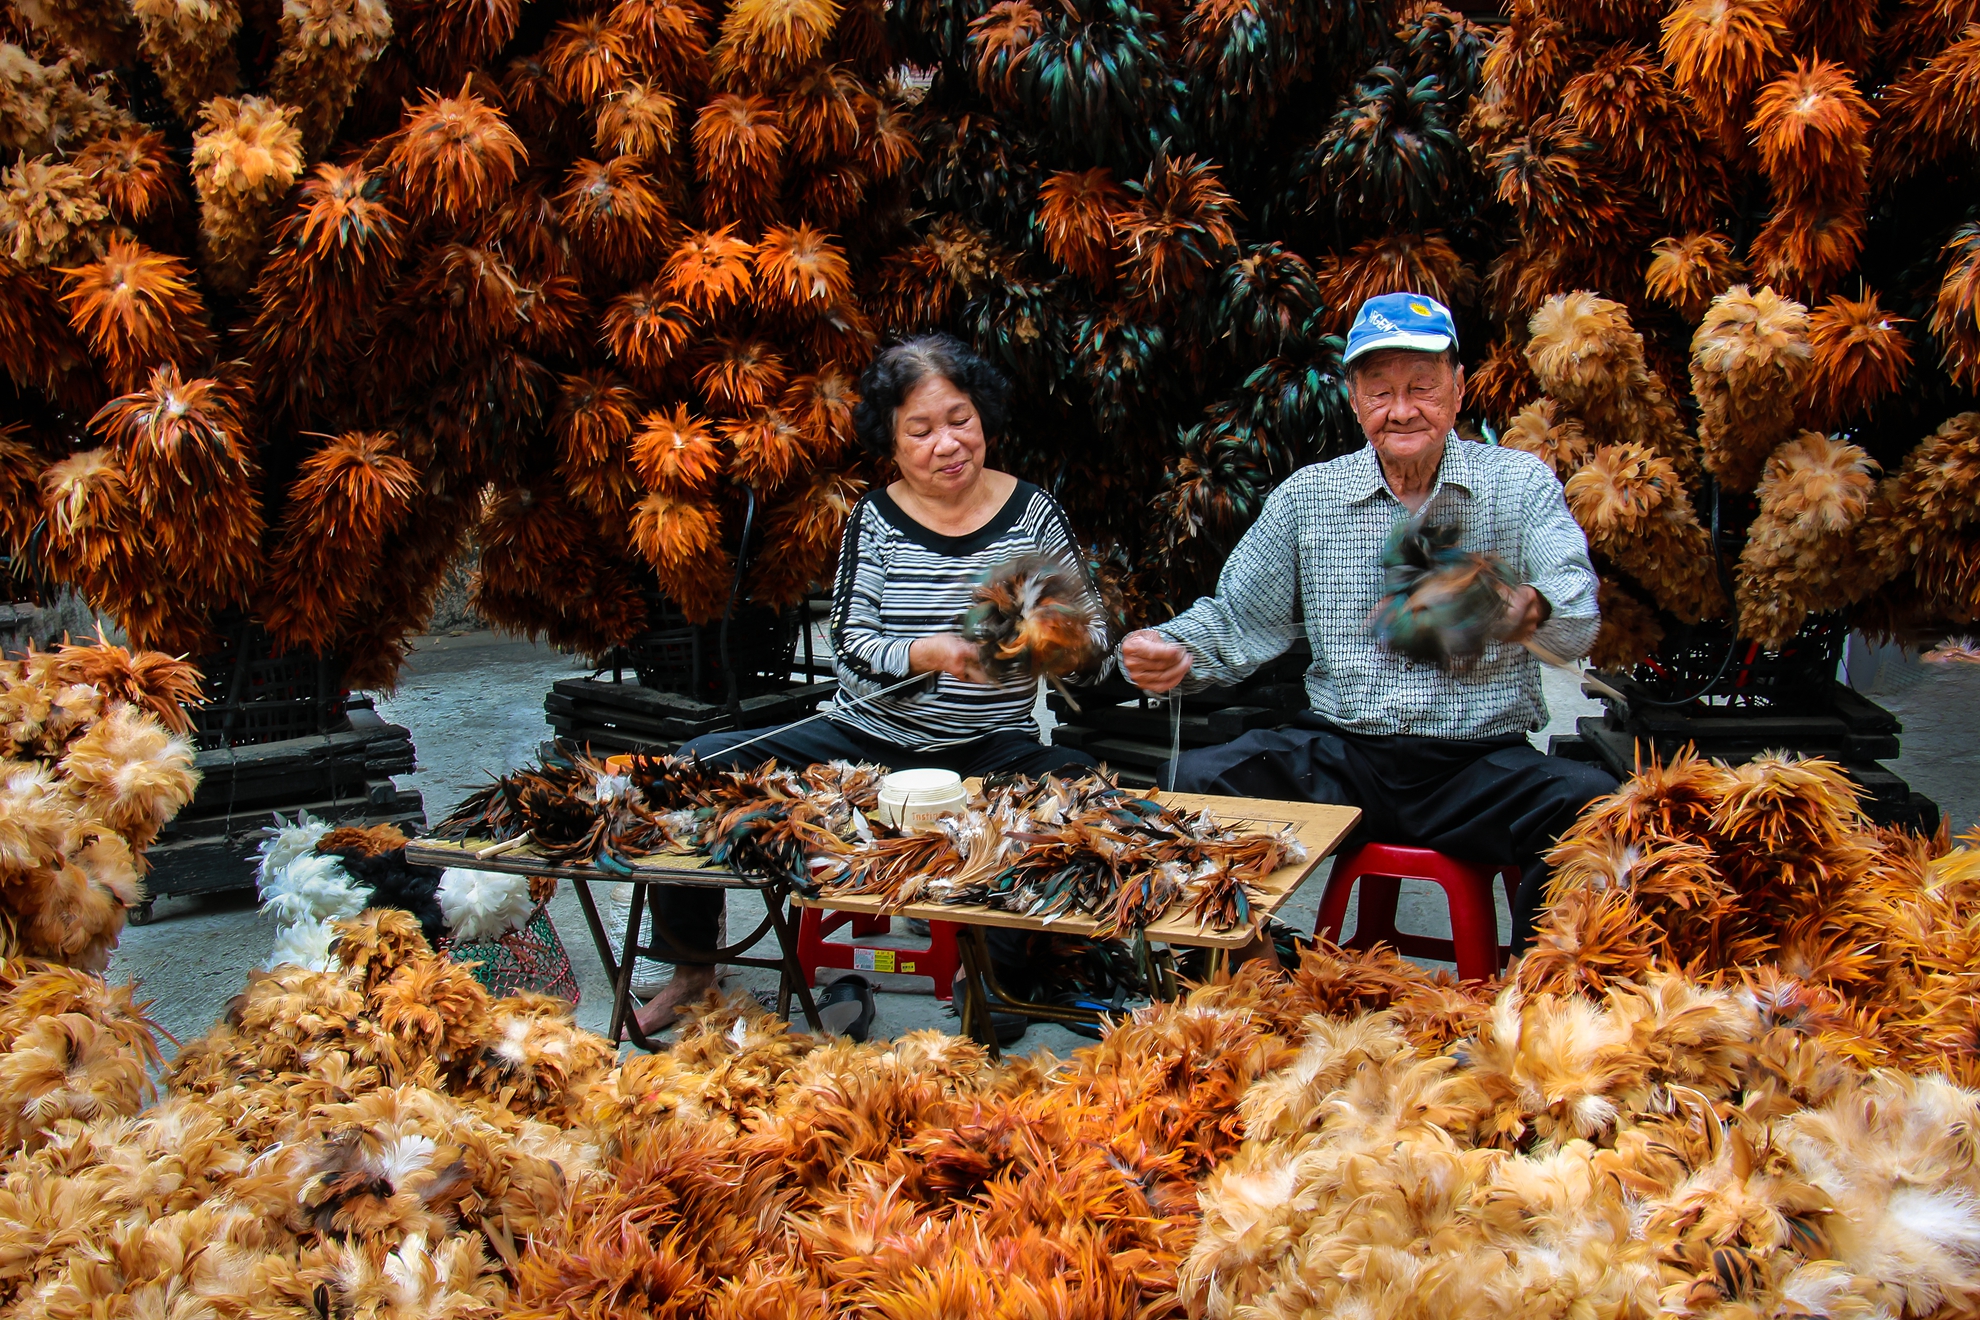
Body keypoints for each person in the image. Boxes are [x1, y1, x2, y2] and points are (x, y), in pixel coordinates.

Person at [626, 333, 1108, 1036]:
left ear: (985, 418)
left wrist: (1053, 642)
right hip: (865, 743)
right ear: (890, 440)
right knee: (688, 770)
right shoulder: (875, 518)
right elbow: (850, 646)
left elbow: (1092, 638)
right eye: (921, 430)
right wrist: (925, 653)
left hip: (989, 747)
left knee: (1077, 785)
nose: (947, 443)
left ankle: (994, 967)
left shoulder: (1033, 514)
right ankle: (695, 968)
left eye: (960, 420)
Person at [1119, 292, 1617, 954]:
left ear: (1458, 388)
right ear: (1354, 400)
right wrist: (1173, 648)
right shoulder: (1309, 498)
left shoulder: (1517, 485)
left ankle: (1539, 997)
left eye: (1421, 387)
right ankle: (1258, 967)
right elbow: (1238, 618)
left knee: (1594, 805)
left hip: (1478, 766)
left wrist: (1521, 608)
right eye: (1380, 391)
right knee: (1194, 785)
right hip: (1348, 757)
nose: (1402, 408)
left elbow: (1576, 607)